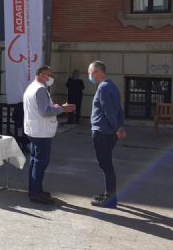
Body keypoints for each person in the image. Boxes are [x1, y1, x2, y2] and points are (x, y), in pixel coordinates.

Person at [23, 65, 76, 205]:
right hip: (40, 132)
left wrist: (57, 107)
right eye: (49, 74)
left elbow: (42, 109)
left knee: (35, 162)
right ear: (41, 74)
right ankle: (35, 193)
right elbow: (45, 111)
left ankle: (36, 190)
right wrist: (62, 108)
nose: (51, 78)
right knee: (40, 163)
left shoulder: (32, 87)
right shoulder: (40, 89)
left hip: (35, 130)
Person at [88, 61, 127, 208]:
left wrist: (118, 128)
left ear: (97, 72)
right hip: (109, 132)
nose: (89, 76)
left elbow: (109, 112)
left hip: (103, 132)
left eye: (90, 72)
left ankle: (110, 199)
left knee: (106, 166)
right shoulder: (112, 86)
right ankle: (108, 194)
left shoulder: (103, 88)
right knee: (106, 165)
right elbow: (119, 110)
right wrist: (120, 127)